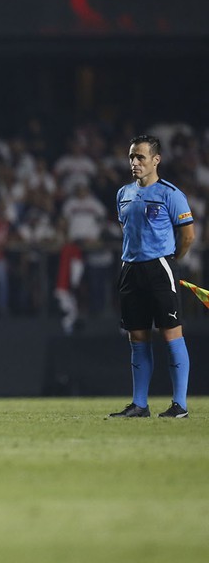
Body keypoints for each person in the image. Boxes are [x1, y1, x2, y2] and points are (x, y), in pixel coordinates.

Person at [110, 134, 195, 419]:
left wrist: (171, 262)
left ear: (156, 160)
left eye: (141, 157)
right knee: (137, 336)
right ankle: (139, 405)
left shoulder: (171, 194)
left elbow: (188, 236)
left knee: (171, 334)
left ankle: (179, 405)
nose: (134, 162)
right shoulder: (123, 194)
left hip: (160, 267)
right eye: (132, 156)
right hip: (130, 269)